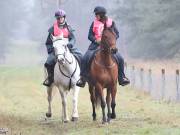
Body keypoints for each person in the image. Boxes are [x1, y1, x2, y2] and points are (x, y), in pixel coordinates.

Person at [76, 6, 130, 87]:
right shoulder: (94, 23)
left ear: (101, 14)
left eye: (96, 14)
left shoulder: (111, 22)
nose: (95, 16)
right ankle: (83, 78)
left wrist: (111, 41)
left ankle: (122, 78)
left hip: (109, 46)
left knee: (121, 59)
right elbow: (89, 35)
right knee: (85, 58)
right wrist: (95, 40)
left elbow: (117, 34)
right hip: (95, 45)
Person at [43, 9, 82, 87]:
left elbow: (73, 38)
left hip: (68, 48)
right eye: (58, 18)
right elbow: (48, 42)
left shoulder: (69, 28)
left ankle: (81, 77)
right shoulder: (52, 29)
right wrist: (51, 50)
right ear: (56, 19)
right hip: (57, 50)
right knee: (48, 62)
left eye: (61, 17)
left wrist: (70, 44)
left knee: (81, 56)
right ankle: (50, 78)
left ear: (64, 17)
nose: (60, 19)